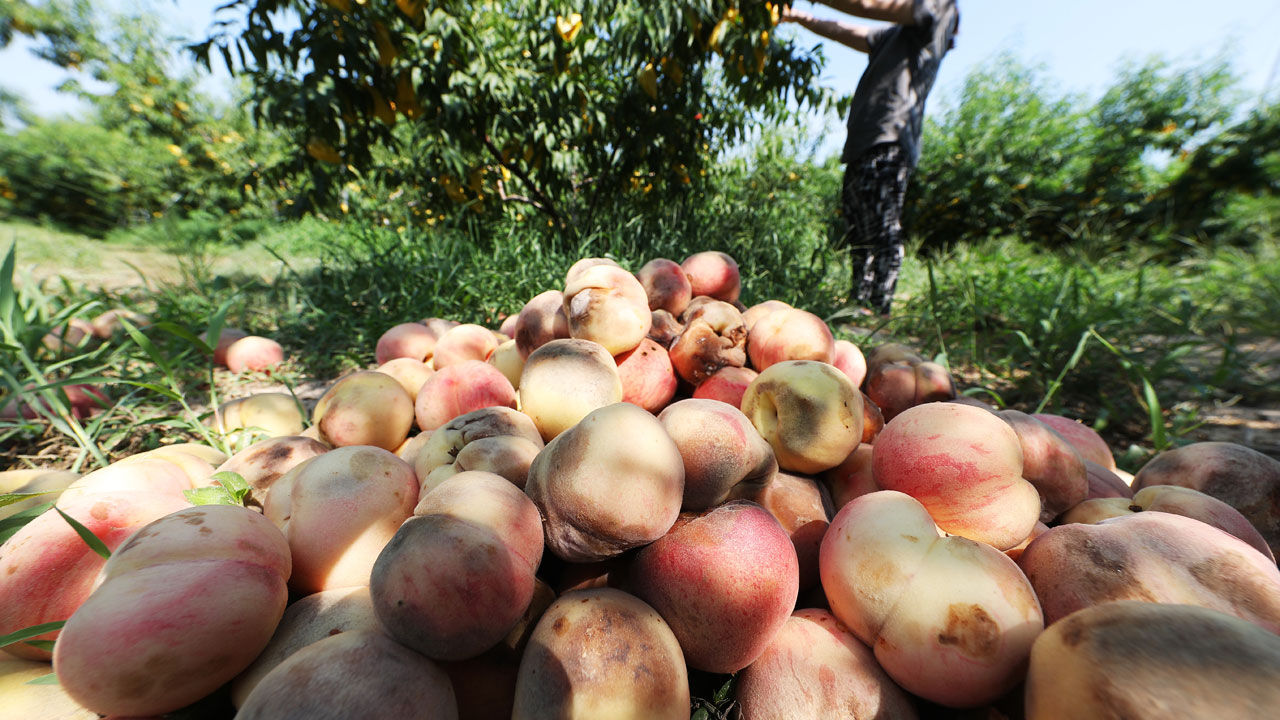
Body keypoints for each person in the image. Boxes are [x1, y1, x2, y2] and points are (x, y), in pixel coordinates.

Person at [781, 0, 959, 316]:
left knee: (883, 225)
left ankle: (881, 307)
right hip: (863, 143)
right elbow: (842, 30)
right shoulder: (892, 36)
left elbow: (868, 5)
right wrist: (797, 17)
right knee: (858, 227)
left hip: (891, 139)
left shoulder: (940, 10)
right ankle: (858, 302)